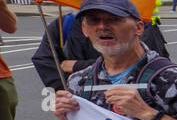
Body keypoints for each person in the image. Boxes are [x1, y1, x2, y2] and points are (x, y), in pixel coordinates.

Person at [34, 5, 169, 91]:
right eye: (93, 20)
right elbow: (44, 58)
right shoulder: (64, 24)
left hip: (137, 96)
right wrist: (63, 92)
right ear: (84, 27)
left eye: (114, 19)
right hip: (87, 104)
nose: (102, 26)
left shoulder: (134, 20)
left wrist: (78, 66)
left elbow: (149, 60)